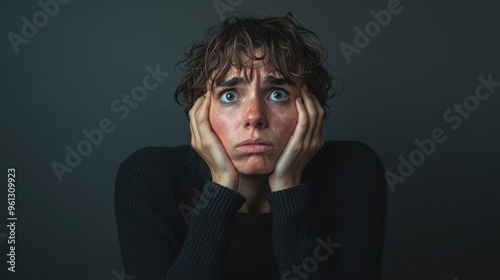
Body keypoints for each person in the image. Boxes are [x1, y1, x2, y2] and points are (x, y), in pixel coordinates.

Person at [114, 13, 387, 280]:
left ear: (311, 109)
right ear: (200, 112)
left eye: (277, 94)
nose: (255, 116)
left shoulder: (352, 171)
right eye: (230, 95)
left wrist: (288, 188)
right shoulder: (149, 177)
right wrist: (221, 186)